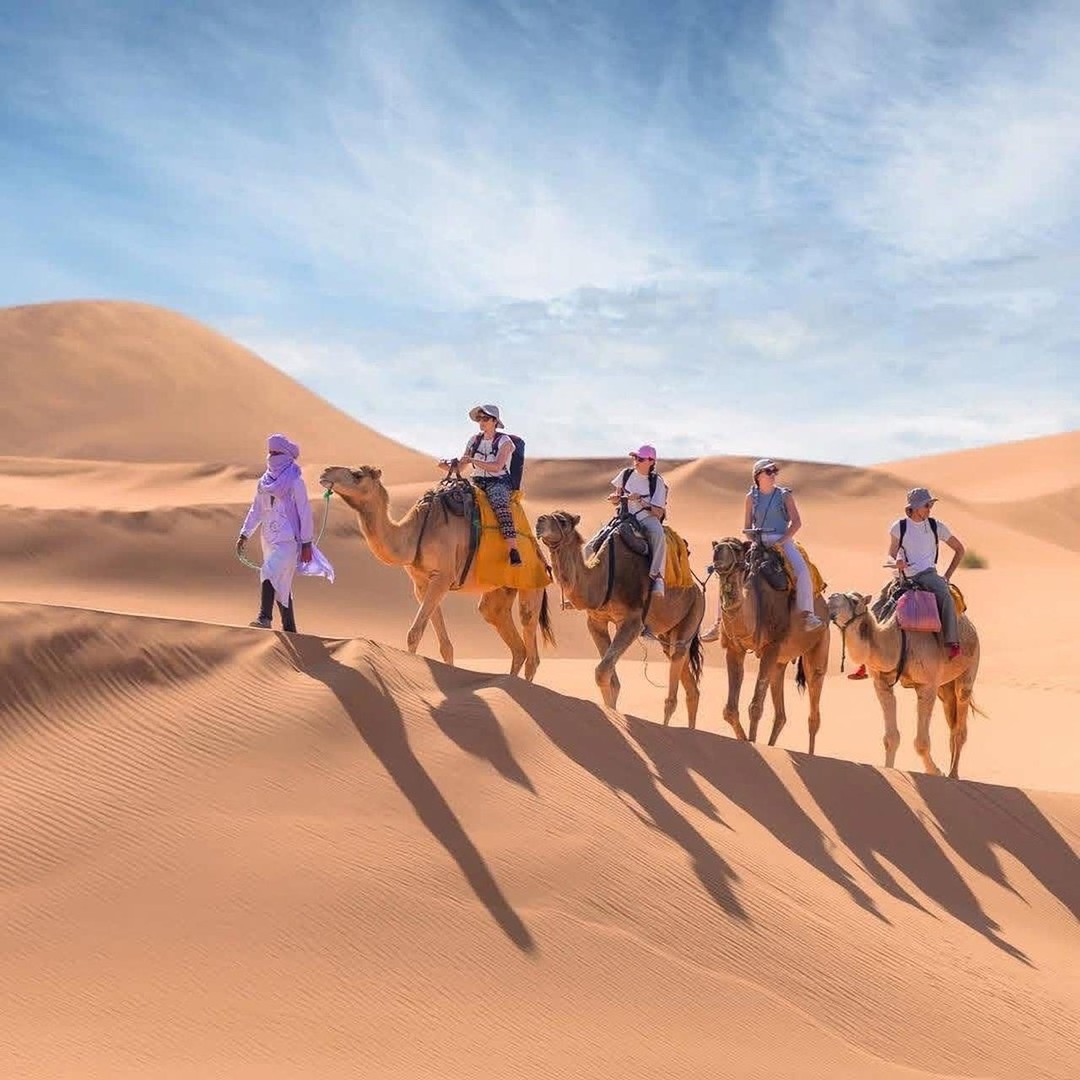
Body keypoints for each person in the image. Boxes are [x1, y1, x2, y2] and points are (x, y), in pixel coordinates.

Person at [236, 433, 334, 632]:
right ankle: (290, 629)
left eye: (276, 453)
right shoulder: (263, 483)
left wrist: (306, 543)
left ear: (287, 455)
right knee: (281, 585)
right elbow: (256, 510)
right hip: (268, 540)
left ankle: (264, 618)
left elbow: (305, 513)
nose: (272, 457)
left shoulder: (296, 482)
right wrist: (244, 533)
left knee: (268, 571)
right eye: (270, 452)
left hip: (289, 542)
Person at [889, 487, 965, 660]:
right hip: (901, 577)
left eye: (930, 505)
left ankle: (952, 642)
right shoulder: (899, 527)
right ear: (915, 507)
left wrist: (947, 577)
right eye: (927, 505)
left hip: (927, 575)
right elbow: (890, 555)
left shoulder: (936, 526)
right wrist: (896, 563)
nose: (930, 509)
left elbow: (959, 549)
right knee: (878, 604)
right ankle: (867, 659)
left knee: (945, 596)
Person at [440, 404, 522, 565]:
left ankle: (513, 550)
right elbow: (462, 466)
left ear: (494, 421)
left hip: (498, 481)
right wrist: (447, 466)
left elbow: (497, 466)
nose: (481, 422)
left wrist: (472, 460)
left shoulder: (505, 441)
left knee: (500, 505)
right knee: (449, 495)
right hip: (476, 480)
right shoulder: (474, 441)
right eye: (479, 419)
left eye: (485, 419)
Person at [747, 458, 821, 630]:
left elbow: (796, 522)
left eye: (774, 471)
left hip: (782, 540)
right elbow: (747, 526)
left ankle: (807, 614)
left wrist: (781, 541)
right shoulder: (751, 497)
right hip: (759, 541)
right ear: (757, 475)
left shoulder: (784, 495)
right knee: (731, 571)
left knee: (802, 571)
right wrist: (755, 541)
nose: (773, 475)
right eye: (768, 471)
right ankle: (720, 621)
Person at [607, 445, 668, 597]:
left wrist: (640, 500)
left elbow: (658, 512)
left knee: (659, 535)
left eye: (640, 459)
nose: (636, 461)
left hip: (647, 519)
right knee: (597, 539)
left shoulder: (657, 482)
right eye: (635, 458)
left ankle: (657, 577)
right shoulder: (626, 474)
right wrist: (614, 499)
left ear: (651, 461)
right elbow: (617, 497)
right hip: (625, 518)